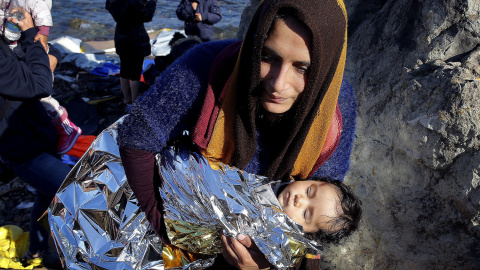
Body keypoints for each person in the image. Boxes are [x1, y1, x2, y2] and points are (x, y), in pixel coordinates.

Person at [118, 0, 356, 268]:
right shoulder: (204, 68)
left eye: (302, 68)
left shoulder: (335, 108)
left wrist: (267, 261)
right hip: (186, 221)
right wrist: (166, 227)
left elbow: (322, 208)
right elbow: (136, 136)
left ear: (324, 69)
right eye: (267, 57)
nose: (279, 84)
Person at [0, 9, 70, 268]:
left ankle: (36, 252)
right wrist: (31, 34)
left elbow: (35, 57)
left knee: (44, 195)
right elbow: (41, 84)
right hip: (21, 147)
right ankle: (83, 255)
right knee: (70, 191)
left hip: (35, 136)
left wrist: (51, 53)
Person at [1, 0, 82, 155]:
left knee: (45, 100)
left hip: (27, 140)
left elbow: (45, 45)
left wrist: (44, 40)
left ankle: (64, 125)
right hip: (19, 140)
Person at [106, 0, 157, 105]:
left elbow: (109, 6)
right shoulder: (134, 2)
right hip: (135, 39)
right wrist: (152, 3)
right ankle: (134, 101)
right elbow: (147, 16)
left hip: (121, 36)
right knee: (135, 73)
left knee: (124, 69)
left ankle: (126, 98)